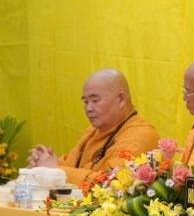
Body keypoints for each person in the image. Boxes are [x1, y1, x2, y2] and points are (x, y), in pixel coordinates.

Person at [26, 69, 159, 186]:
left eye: (95, 101)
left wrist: (54, 171)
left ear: (121, 99)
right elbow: (72, 164)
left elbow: (108, 185)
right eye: (85, 102)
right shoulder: (93, 131)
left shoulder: (141, 136)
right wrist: (44, 163)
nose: (88, 108)